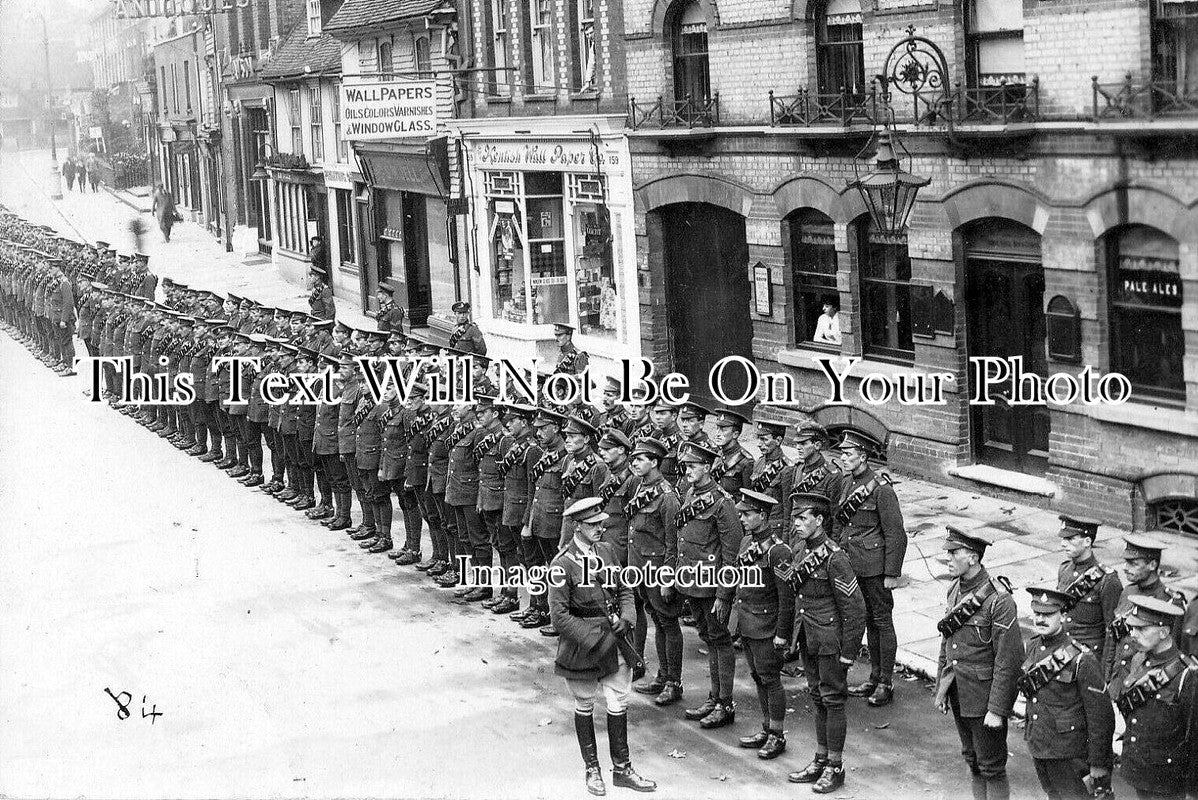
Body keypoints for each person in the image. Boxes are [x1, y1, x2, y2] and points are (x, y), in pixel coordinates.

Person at [548, 497, 657, 797]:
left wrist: (628, 616)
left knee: (618, 701)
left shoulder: (606, 551)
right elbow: (559, 617)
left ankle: (622, 769)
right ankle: (592, 769)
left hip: (615, 639)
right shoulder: (562, 564)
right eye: (593, 524)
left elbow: (624, 588)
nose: (600, 528)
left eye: (601, 523)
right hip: (582, 645)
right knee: (585, 704)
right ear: (577, 527)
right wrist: (594, 640)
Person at [934, 527, 1024, 800]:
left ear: (973, 557)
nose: (948, 558)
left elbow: (1009, 661)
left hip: (984, 698)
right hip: (959, 691)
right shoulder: (955, 588)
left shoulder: (999, 600)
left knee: (991, 767)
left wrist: (997, 709)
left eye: (954, 553)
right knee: (972, 760)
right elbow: (947, 641)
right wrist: (941, 686)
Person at [786, 491, 866, 793]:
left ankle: (835, 766)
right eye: (795, 518)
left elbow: (855, 608)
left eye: (802, 518)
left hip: (829, 641)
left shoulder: (835, 558)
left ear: (819, 520)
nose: (796, 523)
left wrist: (849, 652)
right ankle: (820, 759)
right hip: (809, 638)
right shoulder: (800, 550)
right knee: (818, 698)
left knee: (832, 700)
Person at [1017, 587, 1115, 800]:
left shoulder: (1081, 659)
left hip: (1069, 753)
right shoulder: (1032, 647)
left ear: (1063, 615)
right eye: (1037, 613)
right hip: (1039, 746)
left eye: (1048, 614)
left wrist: (1098, 763)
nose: (1040, 619)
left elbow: (1101, 717)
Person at [835, 428, 906, 708]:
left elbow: (896, 534)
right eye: (842, 453)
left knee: (882, 622)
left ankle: (886, 682)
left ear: (863, 457)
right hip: (853, 565)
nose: (843, 458)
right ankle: (874, 677)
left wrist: (891, 573)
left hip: (875, 569)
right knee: (867, 621)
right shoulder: (848, 483)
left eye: (848, 454)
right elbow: (844, 524)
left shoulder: (882, 490)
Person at [676, 442, 743, 730]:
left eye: (693, 466)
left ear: (707, 467)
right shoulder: (691, 493)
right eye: (686, 466)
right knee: (708, 637)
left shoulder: (723, 503)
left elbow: (731, 553)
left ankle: (725, 704)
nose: (688, 471)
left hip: (712, 585)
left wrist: (724, 595)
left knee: (720, 640)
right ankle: (714, 697)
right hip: (692, 581)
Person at [1113, 595, 1198, 800]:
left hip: (1169, 780)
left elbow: (1195, 739)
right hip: (1140, 769)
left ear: (1163, 632)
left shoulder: (1187, 675)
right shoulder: (1139, 659)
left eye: (1141, 629)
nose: (1133, 634)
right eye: (1132, 628)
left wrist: (1192, 791)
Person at [731, 489, 794, 760]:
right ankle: (766, 728)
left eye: (747, 514)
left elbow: (786, 598)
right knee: (758, 676)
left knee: (770, 678)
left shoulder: (778, 551)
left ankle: (777, 734)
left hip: (767, 625)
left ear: (763, 516)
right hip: (748, 622)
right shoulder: (747, 542)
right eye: (742, 514)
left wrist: (782, 634)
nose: (742, 519)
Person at [1103, 535, 1186, 688]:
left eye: (1133, 563)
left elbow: (1172, 652)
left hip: (1144, 685)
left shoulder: (1170, 602)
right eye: (1126, 562)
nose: (1125, 567)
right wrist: (1107, 676)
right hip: (1117, 679)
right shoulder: (1128, 592)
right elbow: (1113, 638)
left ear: (1152, 565)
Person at [1054, 514, 1121, 656]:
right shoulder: (1064, 570)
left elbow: (1113, 631)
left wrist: (1106, 667)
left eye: (1070, 539)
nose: (1063, 544)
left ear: (1087, 541)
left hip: (1090, 656)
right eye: (1063, 539)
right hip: (1063, 654)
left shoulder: (1107, 580)